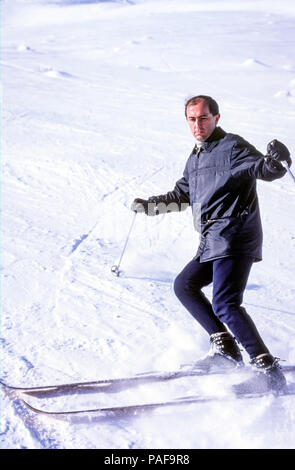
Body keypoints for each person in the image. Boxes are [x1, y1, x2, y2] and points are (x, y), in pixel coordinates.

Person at [131, 95, 292, 394]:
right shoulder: (195, 158)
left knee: (226, 303)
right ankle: (226, 348)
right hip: (213, 240)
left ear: (216, 118)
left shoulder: (232, 146)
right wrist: (150, 206)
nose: (197, 124)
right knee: (184, 285)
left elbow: (264, 169)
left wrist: (277, 162)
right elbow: (182, 195)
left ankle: (267, 369)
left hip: (235, 235)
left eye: (203, 118)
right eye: (192, 119)